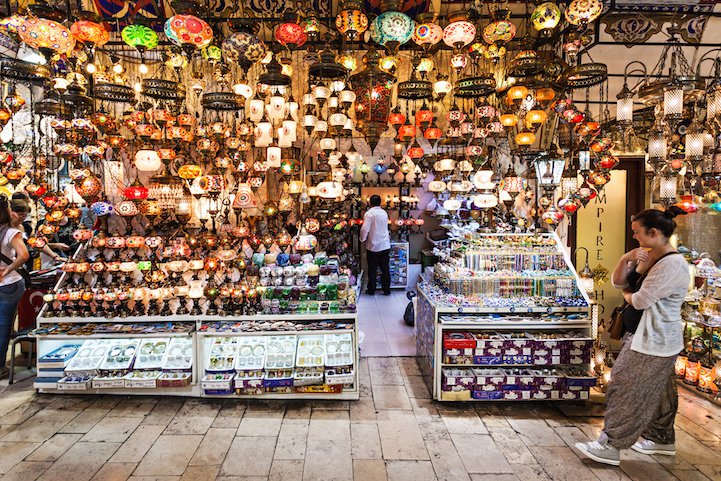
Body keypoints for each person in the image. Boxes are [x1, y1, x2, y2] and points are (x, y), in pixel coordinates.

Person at [575, 206, 690, 466]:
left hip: (653, 339)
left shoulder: (671, 264)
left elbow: (639, 299)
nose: (635, 236)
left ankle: (611, 444)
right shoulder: (650, 257)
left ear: (654, 232)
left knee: (624, 387)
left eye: (638, 232)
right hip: (646, 336)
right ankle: (661, 439)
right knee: (659, 391)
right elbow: (619, 282)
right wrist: (626, 259)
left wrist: (627, 296)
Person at [0, 196, 30, 377]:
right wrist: (9, 268)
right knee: (4, 325)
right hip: (8, 282)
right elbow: (24, 254)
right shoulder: (10, 233)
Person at [359, 194, 391, 295]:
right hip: (385, 244)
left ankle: (372, 290)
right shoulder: (384, 213)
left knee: (372, 269)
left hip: (373, 246)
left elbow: (365, 229)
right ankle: (386, 290)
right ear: (380, 202)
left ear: (370, 203)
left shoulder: (369, 214)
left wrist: (362, 239)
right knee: (385, 268)